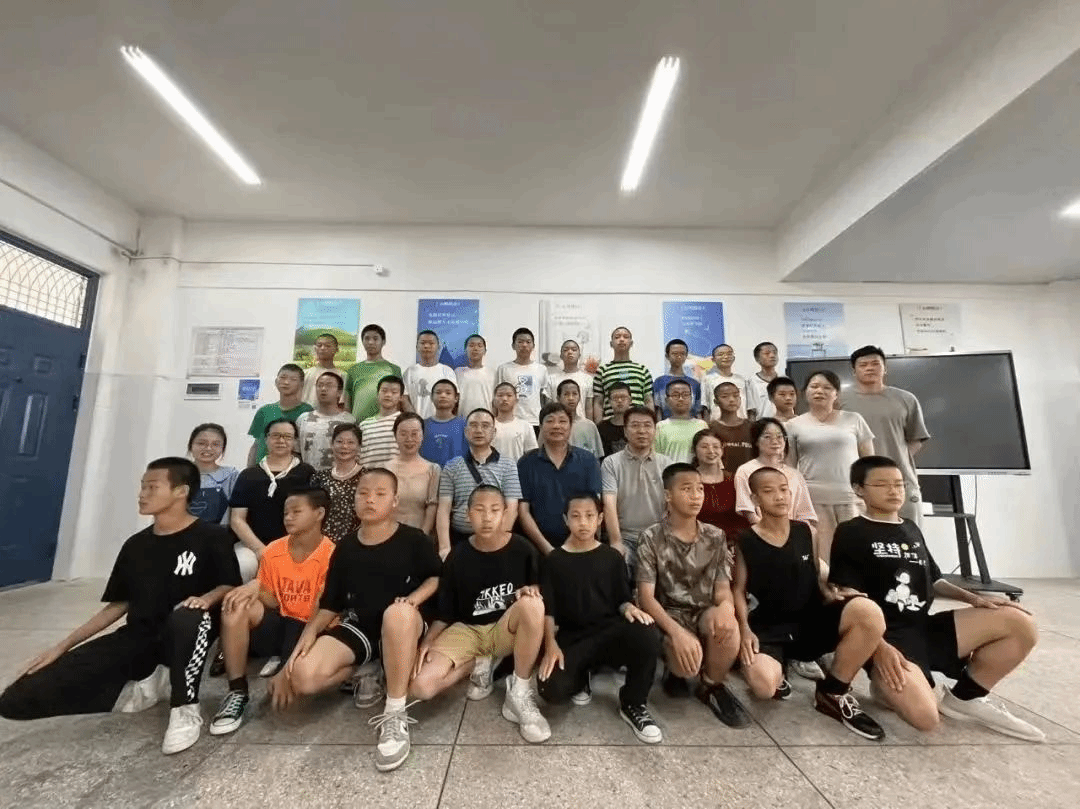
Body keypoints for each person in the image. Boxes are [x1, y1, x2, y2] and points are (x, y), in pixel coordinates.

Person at [0, 458, 241, 756]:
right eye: (142, 486)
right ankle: (146, 687)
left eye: (152, 487)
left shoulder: (212, 536)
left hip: (186, 634)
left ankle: (184, 706)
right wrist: (60, 647)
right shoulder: (135, 545)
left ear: (181, 492)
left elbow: (229, 585)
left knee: (188, 617)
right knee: (16, 699)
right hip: (139, 637)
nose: (142, 494)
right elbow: (119, 605)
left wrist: (206, 599)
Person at [830, 456, 1044, 742]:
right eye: (882, 485)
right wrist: (879, 649)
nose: (893, 491)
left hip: (924, 627)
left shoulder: (910, 527)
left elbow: (934, 579)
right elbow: (847, 596)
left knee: (1020, 623)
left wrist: (974, 599)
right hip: (889, 638)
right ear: (859, 489)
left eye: (899, 484)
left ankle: (966, 698)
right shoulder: (851, 532)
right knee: (926, 718)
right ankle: (883, 687)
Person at [278, 469, 442, 772]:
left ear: (394, 501)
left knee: (397, 614)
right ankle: (368, 669)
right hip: (361, 626)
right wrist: (308, 635)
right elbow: (331, 603)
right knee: (302, 676)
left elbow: (435, 578)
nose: (370, 500)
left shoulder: (413, 539)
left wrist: (413, 600)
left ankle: (394, 711)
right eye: (363, 493)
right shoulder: (346, 547)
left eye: (380, 494)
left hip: (403, 624)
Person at [733, 467, 887, 740]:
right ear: (755, 499)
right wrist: (744, 629)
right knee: (763, 688)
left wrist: (832, 595)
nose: (779, 496)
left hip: (809, 620)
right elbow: (738, 589)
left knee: (868, 612)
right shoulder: (745, 539)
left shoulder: (807, 531)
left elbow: (815, 576)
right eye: (769, 491)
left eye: (784, 489)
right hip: (769, 627)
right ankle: (777, 668)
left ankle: (833, 692)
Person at [411, 485, 550, 744]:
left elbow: (541, 589)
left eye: (494, 510)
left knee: (533, 604)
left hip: (503, 630)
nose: (487, 518)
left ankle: (519, 693)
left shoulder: (522, 549)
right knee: (421, 687)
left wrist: (533, 590)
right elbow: (445, 612)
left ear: (505, 513)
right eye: (479, 510)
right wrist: (428, 641)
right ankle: (477, 663)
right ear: (467, 514)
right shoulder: (457, 556)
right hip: (467, 630)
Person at [209, 487, 336, 736]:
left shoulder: (331, 554)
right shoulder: (273, 551)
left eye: (296, 511)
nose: (288, 517)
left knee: (296, 691)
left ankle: (288, 663)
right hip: (281, 621)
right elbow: (271, 599)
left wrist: (288, 668)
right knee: (236, 604)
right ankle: (237, 691)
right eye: (286, 512)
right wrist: (254, 588)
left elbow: (319, 614)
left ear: (319, 513)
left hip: (311, 630)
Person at [538, 493, 663, 743]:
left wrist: (630, 609)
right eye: (576, 516)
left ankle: (633, 703)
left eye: (589, 516)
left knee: (647, 630)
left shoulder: (612, 557)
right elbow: (548, 610)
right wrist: (550, 645)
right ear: (565, 520)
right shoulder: (554, 560)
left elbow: (621, 599)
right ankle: (582, 673)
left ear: (600, 519)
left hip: (608, 633)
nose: (583, 523)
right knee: (551, 689)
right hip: (573, 639)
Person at [635, 464, 749, 728]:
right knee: (683, 667)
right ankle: (675, 671)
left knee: (728, 625)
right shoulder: (651, 537)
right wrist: (677, 633)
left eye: (700, 489)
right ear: (668, 496)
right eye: (686, 489)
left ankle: (711, 684)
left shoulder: (715, 536)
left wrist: (726, 609)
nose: (696, 496)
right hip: (669, 617)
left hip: (703, 613)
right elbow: (646, 597)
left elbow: (723, 589)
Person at [788, 370, 874, 560]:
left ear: (836, 394)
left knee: (857, 553)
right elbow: (790, 468)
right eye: (814, 386)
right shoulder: (793, 425)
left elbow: (869, 462)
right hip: (813, 499)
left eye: (827, 387)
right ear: (805, 392)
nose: (820, 391)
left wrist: (869, 494)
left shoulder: (854, 419)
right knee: (822, 556)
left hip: (851, 497)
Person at [843, 346, 931, 525]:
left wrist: (889, 464)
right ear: (854, 371)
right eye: (863, 365)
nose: (869, 368)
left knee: (907, 537)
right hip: (856, 485)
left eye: (875, 363)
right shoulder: (839, 399)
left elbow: (915, 439)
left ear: (885, 368)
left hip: (900, 483)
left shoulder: (906, 399)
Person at [230, 419, 316, 580]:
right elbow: (237, 519)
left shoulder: (307, 473)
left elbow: (312, 517)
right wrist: (260, 550)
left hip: (295, 544)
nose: (281, 440)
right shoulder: (248, 475)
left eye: (287, 436)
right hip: (251, 545)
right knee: (244, 564)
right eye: (275, 435)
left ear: (295, 441)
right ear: (266, 439)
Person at [517, 403, 603, 554]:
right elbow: (523, 512)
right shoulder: (526, 463)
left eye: (562, 421)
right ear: (541, 427)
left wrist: (572, 546)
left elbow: (594, 507)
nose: (556, 426)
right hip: (538, 548)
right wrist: (548, 550)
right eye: (550, 421)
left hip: (582, 546)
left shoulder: (588, 460)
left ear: (571, 426)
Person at [437, 408, 522, 556]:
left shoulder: (508, 465)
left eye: (485, 425)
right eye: (474, 425)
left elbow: (512, 509)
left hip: (496, 540)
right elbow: (443, 509)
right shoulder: (451, 466)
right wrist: (445, 548)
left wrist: (498, 543)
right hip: (460, 540)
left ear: (494, 432)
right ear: (465, 432)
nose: (479, 430)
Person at [601, 405, 672, 577]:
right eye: (635, 425)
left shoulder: (666, 463)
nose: (642, 431)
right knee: (617, 569)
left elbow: (672, 506)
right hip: (625, 537)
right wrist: (616, 542)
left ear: (655, 431)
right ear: (625, 431)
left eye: (647, 425)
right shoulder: (611, 463)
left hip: (659, 537)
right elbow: (609, 504)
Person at [734, 418, 818, 530]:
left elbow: (805, 514)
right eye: (767, 437)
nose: (775, 441)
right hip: (762, 532)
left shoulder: (795, 475)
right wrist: (773, 533)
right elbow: (749, 512)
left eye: (779, 437)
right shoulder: (745, 471)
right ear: (756, 441)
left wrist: (796, 534)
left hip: (794, 533)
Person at [691, 430, 749, 547]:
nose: (711, 451)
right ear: (694, 450)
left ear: (722, 450)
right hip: (700, 546)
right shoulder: (688, 481)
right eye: (704, 447)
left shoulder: (734, 479)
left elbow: (744, 517)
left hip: (734, 545)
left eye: (716, 446)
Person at [246, 364, 313, 465]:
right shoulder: (264, 411)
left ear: (301, 384)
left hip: (292, 469)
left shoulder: (308, 412)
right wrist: (249, 469)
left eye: (293, 379)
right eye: (283, 377)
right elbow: (256, 444)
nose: (286, 382)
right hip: (262, 467)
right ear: (276, 381)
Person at [310, 423, 364, 543]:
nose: (344, 446)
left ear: (359, 446)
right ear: (332, 444)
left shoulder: (367, 477)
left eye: (351, 442)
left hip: (357, 543)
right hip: (322, 543)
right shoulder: (319, 477)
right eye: (339, 441)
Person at [387, 413, 439, 535]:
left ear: (422, 436)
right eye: (403, 434)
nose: (409, 439)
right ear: (395, 436)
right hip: (388, 535)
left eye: (414, 434)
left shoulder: (433, 469)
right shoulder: (385, 469)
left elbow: (432, 507)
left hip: (419, 535)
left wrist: (422, 537)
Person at [295, 371, 357, 470]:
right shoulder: (303, 419)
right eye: (320, 385)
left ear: (339, 392)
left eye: (329, 385)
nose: (323, 389)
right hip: (308, 476)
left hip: (339, 476)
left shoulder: (349, 420)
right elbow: (296, 452)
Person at [592, 327, 653, 423]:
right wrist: (599, 425)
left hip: (637, 424)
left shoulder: (642, 369)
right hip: (611, 424)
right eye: (617, 337)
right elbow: (598, 402)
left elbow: (648, 400)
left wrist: (650, 423)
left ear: (631, 343)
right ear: (611, 344)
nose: (621, 339)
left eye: (625, 337)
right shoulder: (602, 370)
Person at [496, 327, 551, 431]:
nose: (524, 345)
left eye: (528, 342)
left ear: (533, 346)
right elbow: (497, 397)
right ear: (513, 346)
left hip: (534, 421)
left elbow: (544, 398)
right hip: (510, 420)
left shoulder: (541, 369)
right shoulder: (503, 369)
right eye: (520, 342)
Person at [345, 324, 402, 422]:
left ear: (383, 342)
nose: (371, 342)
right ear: (362, 342)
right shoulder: (353, 370)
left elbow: (399, 400)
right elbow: (347, 402)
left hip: (386, 423)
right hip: (357, 424)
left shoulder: (394, 369)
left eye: (375, 339)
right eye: (367, 339)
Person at [187, 423, 239, 526]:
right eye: (201, 443)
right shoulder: (177, 474)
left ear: (223, 448)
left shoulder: (231, 476)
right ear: (191, 445)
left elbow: (238, 515)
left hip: (220, 534)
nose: (208, 448)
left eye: (215, 444)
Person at [403, 330, 456, 419]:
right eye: (423, 343)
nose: (426, 346)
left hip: (441, 421)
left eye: (431, 343)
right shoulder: (409, 372)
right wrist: (415, 420)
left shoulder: (447, 371)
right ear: (417, 347)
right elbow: (405, 399)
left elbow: (454, 399)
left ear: (438, 347)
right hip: (416, 422)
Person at [653, 379, 708, 463]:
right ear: (666, 400)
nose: (681, 399)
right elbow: (656, 458)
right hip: (669, 471)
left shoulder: (702, 425)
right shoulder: (660, 427)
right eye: (675, 395)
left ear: (691, 398)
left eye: (685, 395)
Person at [358, 375, 405, 469]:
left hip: (396, 475)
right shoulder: (364, 425)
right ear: (377, 394)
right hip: (368, 475)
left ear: (401, 397)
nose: (388, 395)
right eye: (384, 391)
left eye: (394, 392)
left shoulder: (405, 422)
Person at [707, 381, 753, 474]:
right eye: (725, 396)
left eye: (735, 396)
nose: (731, 400)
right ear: (716, 402)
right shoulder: (711, 428)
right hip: (723, 478)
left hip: (748, 477)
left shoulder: (752, 426)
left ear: (740, 399)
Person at [653, 339, 702, 419]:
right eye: (675, 353)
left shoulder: (694, 383)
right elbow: (658, 409)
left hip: (690, 424)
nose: (679, 356)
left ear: (686, 356)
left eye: (682, 354)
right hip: (667, 424)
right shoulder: (659, 382)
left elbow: (697, 411)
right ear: (667, 356)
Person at [420, 378, 466, 467]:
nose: (443, 396)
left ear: (456, 398)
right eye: (438, 393)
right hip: (428, 473)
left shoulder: (464, 425)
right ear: (431, 397)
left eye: (448, 393)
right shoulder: (422, 425)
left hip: (457, 474)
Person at [490, 381, 540, 461]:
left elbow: (532, 455)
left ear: (516, 400)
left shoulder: (525, 426)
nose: (504, 399)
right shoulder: (488, 426)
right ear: (494, 401)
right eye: (500, 395)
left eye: (509, 395)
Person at [549, 339, 594, 422]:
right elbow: (549, 407)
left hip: (581, 423)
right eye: (566, 350)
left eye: (574, 350)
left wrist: (589, 425)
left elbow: (589, 408)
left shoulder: (588, 379)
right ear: (561, 355)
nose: (570, 352)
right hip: (559, 423)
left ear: (579, 355)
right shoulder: (551, 379)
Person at [557, 378, 603, 458]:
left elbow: (596, 457)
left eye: (574, 394)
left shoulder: (589, 426)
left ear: (580, 397)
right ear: (558, 398)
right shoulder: (554, 426)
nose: (571, 398)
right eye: (566, 394)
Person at [455, 333, 496, 418]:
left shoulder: (492, 373)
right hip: (463, 419)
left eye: (479, 346)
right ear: (465, 350)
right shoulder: (458, 372)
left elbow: (496, 401)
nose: (475, 349)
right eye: (471, 345)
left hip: (486, 419)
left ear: (485, 351)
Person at [702, 344, 747, 420]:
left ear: (733, 358)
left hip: (742, 422)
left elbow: (748, 407)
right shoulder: (707, 379)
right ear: (713, 359)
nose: (726, 357)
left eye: (729, 354)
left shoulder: (741, 380)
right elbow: (704, 406)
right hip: (717, 423)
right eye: (720, 354)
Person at [301, 333, 346, 408]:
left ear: (336, 349)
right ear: (315, 349)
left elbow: (342, 404)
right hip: (305, 414)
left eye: (328, 346)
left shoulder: (342, 375)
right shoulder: (304, 373)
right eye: (319, 345)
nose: (322, 348)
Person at [745, 342, 779, 421]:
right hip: (762, 425)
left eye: (774, 352)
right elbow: (751, 412)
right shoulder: (751, 382)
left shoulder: (784, 379)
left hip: (783, 424)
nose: (772, 355)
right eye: (767, 353)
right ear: (757, 359)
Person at [597, 382, 632, 457]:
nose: (619, 401)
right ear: (609, 401)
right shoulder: (602, 427)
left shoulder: (636, 425)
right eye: (615, 398)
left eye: (623, 397)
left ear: (630, 400)